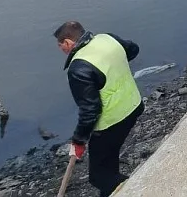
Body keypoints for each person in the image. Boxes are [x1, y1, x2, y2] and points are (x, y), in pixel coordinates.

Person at [55, 21, 144, 196]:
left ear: (67, 43)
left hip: (111, 122)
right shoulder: (107, 38)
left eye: (60, 46)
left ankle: (137, 187)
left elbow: (90, 110)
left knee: (99, 176)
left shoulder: (78, 68)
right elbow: (133, 49)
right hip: (134, 105)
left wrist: (79, 140)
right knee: (108, 161)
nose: (61, 51)